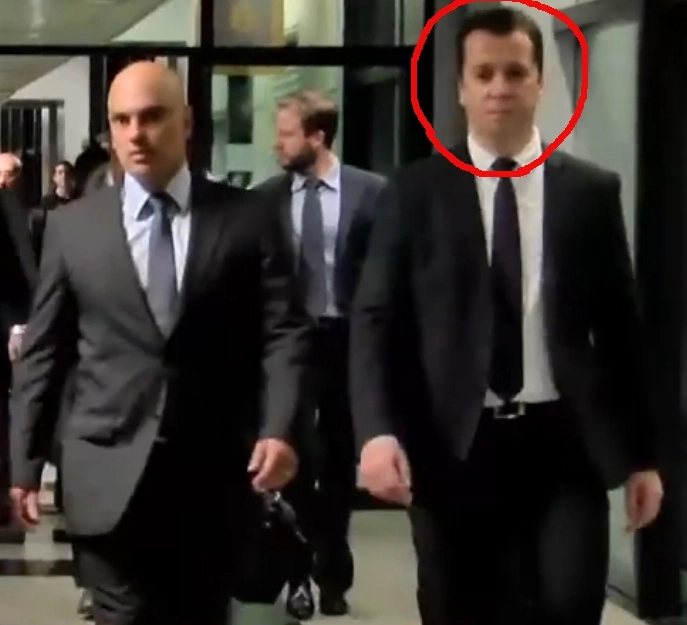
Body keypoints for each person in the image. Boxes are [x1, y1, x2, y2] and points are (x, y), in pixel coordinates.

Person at [350, 8, 663, 625]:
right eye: (484, 73)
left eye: (515, 72)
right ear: (461, 88)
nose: (500, 88)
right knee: (459, 608)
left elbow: (622, 332)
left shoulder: (589, 193)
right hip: (452, 446)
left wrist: (645, 457)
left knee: (568, 606)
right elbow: (375, 318)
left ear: (539, 82)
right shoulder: (415, 193)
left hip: (563, 444)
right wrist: (376, 431)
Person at [9, 60, 307, 625]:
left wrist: (280, 426)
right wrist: (24, 465)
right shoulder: (73, 228)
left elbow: (284, 331)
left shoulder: (247, 218)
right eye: (122, 121)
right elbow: (45, 352)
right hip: (105, 471)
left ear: (186, 122)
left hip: (213, 474)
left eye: (151, 117)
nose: (136, 134)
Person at [256, 90, 386, 620]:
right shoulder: (266, 199)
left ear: (317, 136)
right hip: (289, 343)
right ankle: (298, 573)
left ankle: (333, 572)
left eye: (286, 135)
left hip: (346, 341)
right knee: (292, 457)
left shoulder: (371, 193)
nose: (277, 144)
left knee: (336, 463)